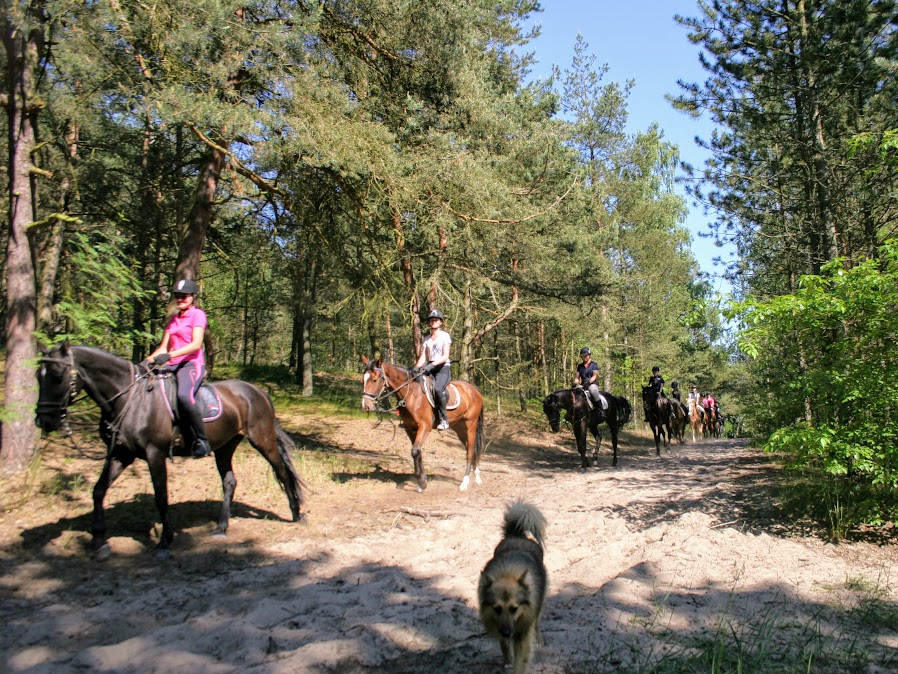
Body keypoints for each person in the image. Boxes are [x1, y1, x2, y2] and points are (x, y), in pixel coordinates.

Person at [143, 278, 211, 458]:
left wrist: (171, 355)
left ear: (192, 297)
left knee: (184, 396)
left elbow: (196, 344)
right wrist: (146, 362)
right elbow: (163, 347)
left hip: (191, 364)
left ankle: (201, 441)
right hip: (172, 365)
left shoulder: (198, 315)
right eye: (178, 296)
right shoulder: (173, 320)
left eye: (185, 296)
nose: (181, 299)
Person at [414, 309, 452, 430]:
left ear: (440, 322)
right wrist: (416, 367)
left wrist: (432, 364)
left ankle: (444, 419)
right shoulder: (426, 339)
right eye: (431, 320)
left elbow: (445, 356)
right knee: (417, 386)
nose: (433, 322)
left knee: (437, 389)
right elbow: (423, 358)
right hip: (430, 368)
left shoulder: (445, 336)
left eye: (436, 320)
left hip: (442, 368)